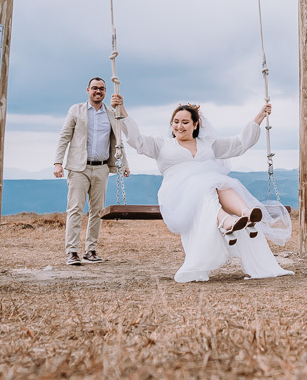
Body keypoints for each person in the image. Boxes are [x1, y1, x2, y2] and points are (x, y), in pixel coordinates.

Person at [111, 94, 293, 282]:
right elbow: (137, 140)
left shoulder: (208, 144)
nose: (178, 126)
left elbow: (238, 144)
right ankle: (225, 221)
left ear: (196, 124)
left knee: (223, 184)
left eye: (184, 122)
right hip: (178, 193)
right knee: (208, 185)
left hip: (211, 186)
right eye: (175, 122)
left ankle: (246, 214)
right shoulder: (162, 144)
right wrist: (122, 110)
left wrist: (260, 117)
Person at [53, 77, 128, 266]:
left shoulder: (111, 113)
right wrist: (57, 162)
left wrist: (124, 164)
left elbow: (118, 140)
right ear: (87, 90)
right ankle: (72, 252)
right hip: (79, 167)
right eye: (94, 88)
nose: (98, 91)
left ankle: (90, 250)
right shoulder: (76, 110)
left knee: (97, 211)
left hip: (102, 167)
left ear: (105, 92)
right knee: (75, 209)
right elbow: (64, 137)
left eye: (102, 89)